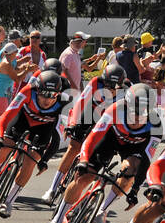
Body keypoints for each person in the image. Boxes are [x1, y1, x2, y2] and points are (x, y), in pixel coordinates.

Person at [41, 81, 156, 223]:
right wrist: (84, 160)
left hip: (133, 149)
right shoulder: (115, 110)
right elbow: (92, 139)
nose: (137, 118)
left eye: (142, 114)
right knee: (84, 177)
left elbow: (146, 161)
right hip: (108, 140)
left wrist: (135, 190)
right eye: (133, 112)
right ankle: (56, 221)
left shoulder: (157, 123)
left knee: (130, 172)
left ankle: (101, 210)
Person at [0, 69, 69, 218]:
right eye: (43, 94)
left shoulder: (64, 102)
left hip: (43, 129)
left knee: (30, 163)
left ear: (58, 94)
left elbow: (57, 137)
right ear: (36, 90)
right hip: (22, 120)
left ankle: (8, 202)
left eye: (52, 95)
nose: (47, 99)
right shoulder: (28, 91)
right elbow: (5, 116)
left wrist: (44, 160)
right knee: (5, 145)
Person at [43, 63, 126, 203]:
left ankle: (82, 196)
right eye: (106, 84)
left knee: (101, 158)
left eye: (113, 87)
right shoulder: (95, 82)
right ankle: (52, 188)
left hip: (109, 123)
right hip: (90, 114)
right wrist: (72, 124)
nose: (108, 89)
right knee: (73, 147)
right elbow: (81, 102)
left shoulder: (126, 91)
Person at [0, 42, 33, 116]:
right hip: (0, 93)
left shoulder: (9, 59)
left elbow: (16, 66)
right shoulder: (7, 64)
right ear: (12, 53)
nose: (17, 53)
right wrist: (27, 70)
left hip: (4, 93)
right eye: (16, 51)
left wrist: (23, 61)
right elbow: (17, 79)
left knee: (3, 115)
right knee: (0, 117)